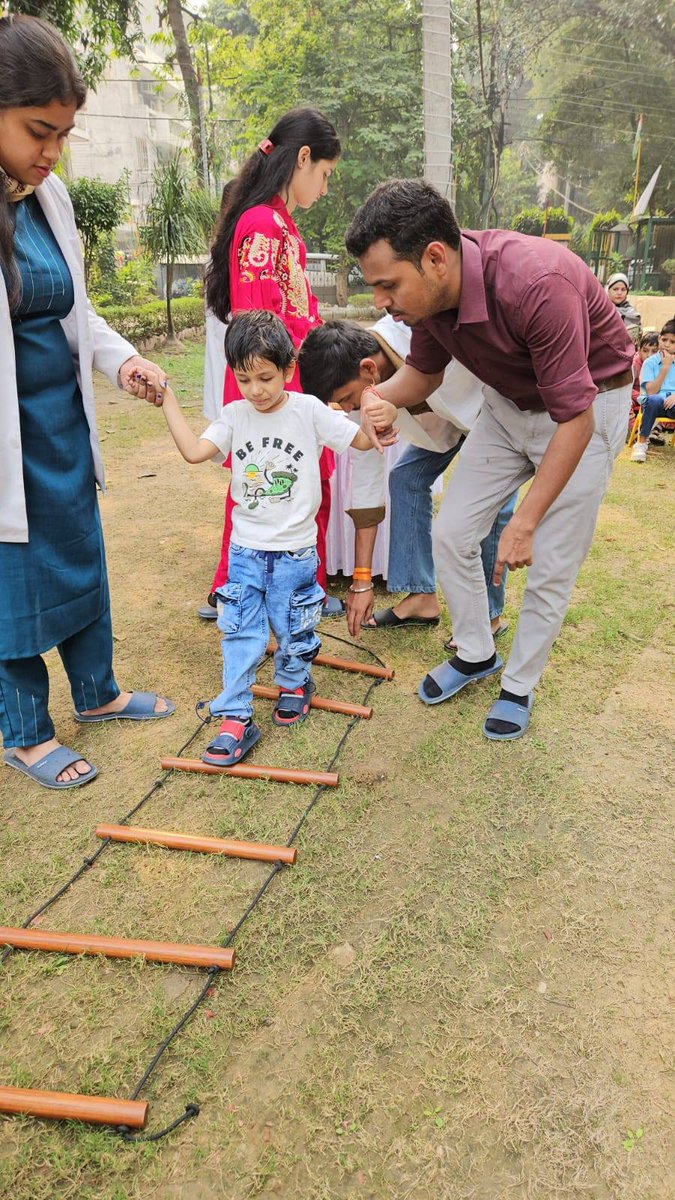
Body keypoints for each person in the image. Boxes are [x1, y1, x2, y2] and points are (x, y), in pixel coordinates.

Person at [346, 179, 633, 740]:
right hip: (508, 404)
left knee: (550, 559)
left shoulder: (535, 282)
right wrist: (381, 401)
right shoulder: (426, 303)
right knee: (452, 530)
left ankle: (519, 686)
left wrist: (524, 523)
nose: (381, 302)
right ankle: (476, 651)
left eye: (387, 285)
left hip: (588, 406)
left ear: (434, 259)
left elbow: (574, 418)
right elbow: (424, 374)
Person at [0, 14, 175, 791]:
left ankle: (98, 694)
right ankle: (26, 731)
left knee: (79, 559)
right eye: (39, 130)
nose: (51, 151)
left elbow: (78, 313)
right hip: (7, 436)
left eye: (63, 134)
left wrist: (124, 361)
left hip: (58, 426)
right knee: (11, 582)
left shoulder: (51, 198)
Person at [151, 311, 378, 766]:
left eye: (265, 377)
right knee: (239, 632)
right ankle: (235, 716)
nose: (256, 390)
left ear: (288, 369)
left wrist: (373, 403)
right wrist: (168, 401)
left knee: (295, 625)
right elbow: (196, 453)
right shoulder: (235, 416)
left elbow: (364, 442)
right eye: (244, 379)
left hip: (295, 551)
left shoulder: (309, 410)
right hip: (246, 552)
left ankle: (294, 681)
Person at [201, 108, 342, 621]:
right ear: (303, 158)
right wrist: (280, 387)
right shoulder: (264, 224)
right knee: (270, 485)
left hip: (286, 376)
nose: (325, 188)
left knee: (267, 484)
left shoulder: (276, 222)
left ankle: (251, 588)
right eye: (324, 174)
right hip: (274, 380)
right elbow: (262, 324)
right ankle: (256, 590)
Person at [299, 316, 517, 641]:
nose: (348, 409)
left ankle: (489, 617)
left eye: (348, 399)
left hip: (493, 414)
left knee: (490, 509)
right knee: (406, 479)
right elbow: (367, 480)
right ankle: (422, 597)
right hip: (444, 427)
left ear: (369, 369)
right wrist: (361, 580)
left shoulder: (424, 335)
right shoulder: (362, 390)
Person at [630, 316, 675, 462]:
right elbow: (650, 391)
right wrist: (665, 368)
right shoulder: (650, 363)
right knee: (653, 400)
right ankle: (641, 443)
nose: (667, 345)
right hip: (653, 403)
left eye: (672, 342)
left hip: (673, 403)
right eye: (664, 340)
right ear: (660, 339)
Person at [629, 330, 659, 439]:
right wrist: (640, 397)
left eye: (654, 351)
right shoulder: (634, 365)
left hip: (648, 400)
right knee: (626, 403)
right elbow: (628, 388)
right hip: (634, 399)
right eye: (645, 351)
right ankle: (633, 430)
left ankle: (653, 430)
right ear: (639, 350)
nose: (649, 355)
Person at [606, 272, 642, 345]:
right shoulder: (603, 310)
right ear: (608, 290)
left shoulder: (633, 314)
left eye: (623, 289)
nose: (619, 293)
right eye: (615, 289)